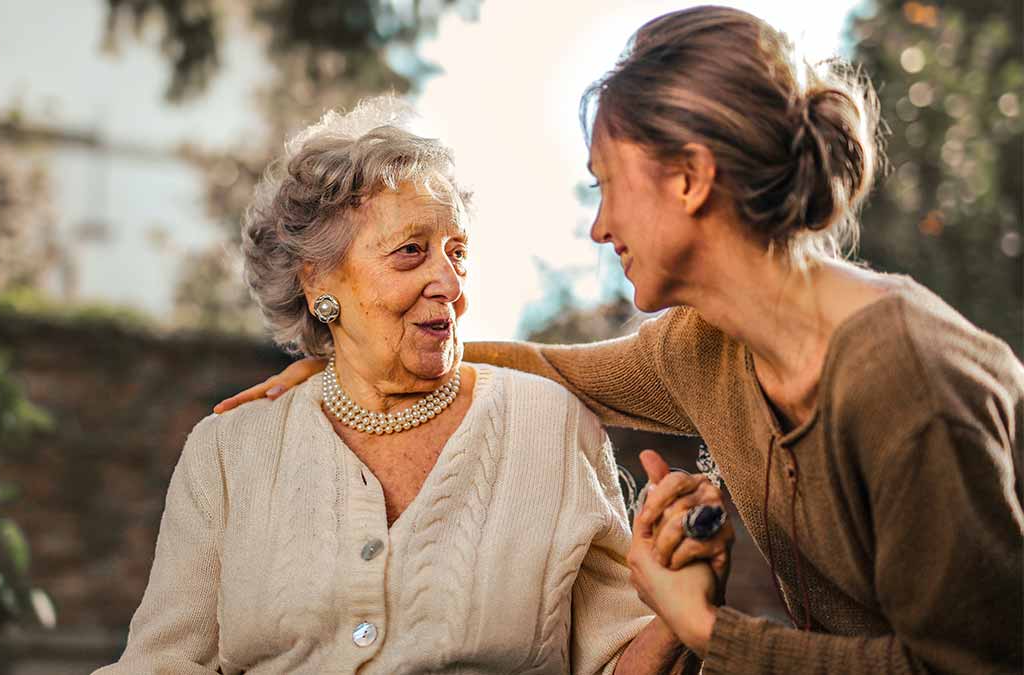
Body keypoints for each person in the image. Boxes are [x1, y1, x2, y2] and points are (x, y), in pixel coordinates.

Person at [214, 6, 1024, 674]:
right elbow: (546, 366)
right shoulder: (705, 348)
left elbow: (973, 665)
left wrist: (708, 630)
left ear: (689, 177)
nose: (599, 226)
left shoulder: (906, 379)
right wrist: (347, 363)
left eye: (607, 185)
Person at [96, 97, 725, 674]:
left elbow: (615, 662)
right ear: (319, 285)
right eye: (410, 253)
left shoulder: (550, 425)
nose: (450, 285)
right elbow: (162, 663)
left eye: (457, 252)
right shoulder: (230, 452)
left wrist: (678, 613)